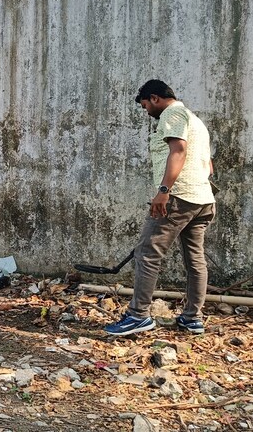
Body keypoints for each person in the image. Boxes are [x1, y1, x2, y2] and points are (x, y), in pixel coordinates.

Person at [105, 80, 216, 336]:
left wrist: (164, 192)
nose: (146, 111)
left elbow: (178, 150)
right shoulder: (195, 120)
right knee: (195, 260)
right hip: (203, 200)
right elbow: (208, 166)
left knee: (147, 253)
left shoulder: (172, 114)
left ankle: (138, 315)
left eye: (145, 106)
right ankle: (192, 318)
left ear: (154, 98)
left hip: (179, 198)